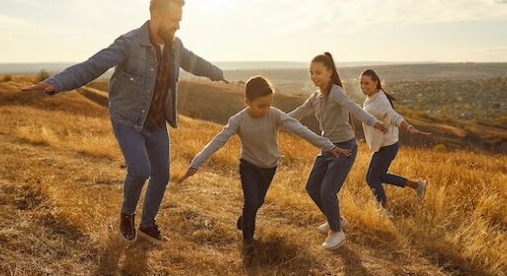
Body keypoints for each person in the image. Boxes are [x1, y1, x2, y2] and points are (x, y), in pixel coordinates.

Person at [21, 0, 228, 244]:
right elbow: (93, 65)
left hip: (156, 121)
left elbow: (194, 62)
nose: (178, 25)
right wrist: (56, 82)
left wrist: (217, 73)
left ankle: (147, 225)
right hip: (127, 119)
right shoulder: (129, 43)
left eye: (180, 20)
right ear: (155, 15)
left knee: (161, 175)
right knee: (141, 170)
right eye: (174, 19)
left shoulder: (175, 45)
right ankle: (127, 213)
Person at [176, 76, 351, 246]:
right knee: (251, 202)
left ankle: (245, 219)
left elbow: (302, 131)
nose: (265, 109)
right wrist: (196, 163)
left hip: (270, 167)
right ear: (247, 102)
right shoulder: (238, 120)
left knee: (257, 202)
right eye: (261, 105)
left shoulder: (275, 115)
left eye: (269, 104)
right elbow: (217, 141)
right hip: (249, 166)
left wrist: (330, 147)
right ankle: (248, 243)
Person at [288, 53, 388, 250]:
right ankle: (337, 220)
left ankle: (337, 233)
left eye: (318, 72)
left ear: (329, 72)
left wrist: (374, 122)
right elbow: (297, 113)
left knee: (327, 191)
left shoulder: (335, 92)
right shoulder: (315, 97)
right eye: (311, 73)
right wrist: (275, 120)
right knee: (312, 187)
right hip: (327, 148)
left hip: (344, 148)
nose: (314, 77)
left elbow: (353, 108)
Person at [359, 69, 430, 217]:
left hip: (387, 146)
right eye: (361, 83)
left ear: (376, 83)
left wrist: (409, 128)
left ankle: (385, 210)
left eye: (367, 83)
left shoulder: (381, 101)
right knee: (380, 176)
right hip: (383, 145)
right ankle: (417, 185)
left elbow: (394, 117)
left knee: (371, 178)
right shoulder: (371, 97)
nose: (363, 86)